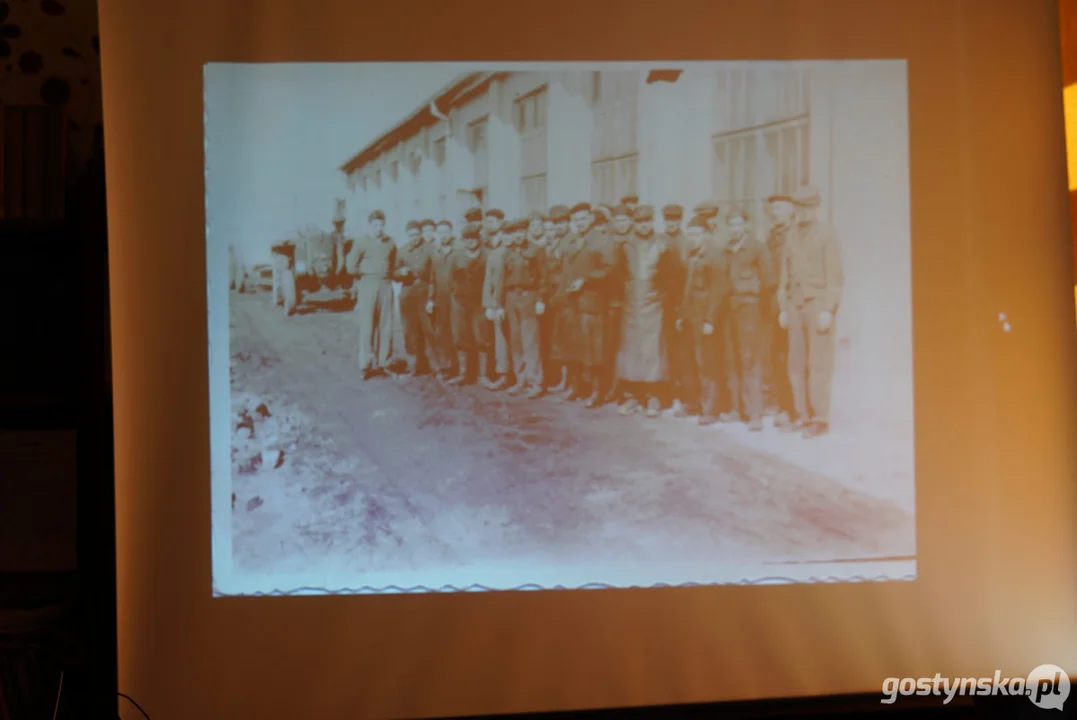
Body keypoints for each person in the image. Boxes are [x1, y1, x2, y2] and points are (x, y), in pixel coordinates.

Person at [777, 184, 844, 438]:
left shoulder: (827, 234)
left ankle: (819, 417)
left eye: (807, 207)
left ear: (816, 208)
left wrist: (828, 309)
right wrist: (783, 306)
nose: (802, 212)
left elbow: (835, 277)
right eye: (798, 207)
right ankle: (801, 414)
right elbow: (785, 273)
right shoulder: (791, 235)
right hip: (794, 304)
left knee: (819, 363)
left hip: (817, 304)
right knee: (796, 363)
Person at [615, 205, 678, 417]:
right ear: (634, 223)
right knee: (632, 349)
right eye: (640, 221)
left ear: (652, 222)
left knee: (654, 349)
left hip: (655, 304)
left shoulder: (664, 244)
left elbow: (673, 275)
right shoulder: (625, 245)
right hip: (631, 303)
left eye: (647, 221)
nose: (644, 225)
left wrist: (663, 296)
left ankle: (654, 397)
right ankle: (633, 396)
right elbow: (618, 273)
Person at [721, 206, 773, 431]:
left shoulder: (757, 248)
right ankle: (736, 408)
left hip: (749, 307)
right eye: (731, 224)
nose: (734, 228)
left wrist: (753, 295)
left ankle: (754, 413)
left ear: (746, 226)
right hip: (729, 306)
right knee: (731, 358)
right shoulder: (727, 249)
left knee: (749, 358)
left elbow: (769, 279)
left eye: (738, 224)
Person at [675, 216, 727, 425]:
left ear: (706, 235)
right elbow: (685, 289)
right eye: (690, 235)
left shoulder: (715, 257)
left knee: (707, 364)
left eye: (696, 234)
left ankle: (710, 408)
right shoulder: (690, 256)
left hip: (704, 317)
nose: (692, 239)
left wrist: (710, 319)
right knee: (688, 362)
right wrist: (681, 315)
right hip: (689, 316)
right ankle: (693, 403)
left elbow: (719, 290)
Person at [561, 202, 614, 408]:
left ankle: (596, 391)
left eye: (583, 219)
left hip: (592, 301)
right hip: (572, 303)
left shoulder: (601, 241)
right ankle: (577, 388)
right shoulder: (572, 241)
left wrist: (586, 280)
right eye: (576, 220)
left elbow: (610, 269)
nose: (580, 223)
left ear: (591, 219)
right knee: (574, 346)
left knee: (594, 349)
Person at [345, 209, 397, 379]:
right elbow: (351, 266)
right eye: (375, 225)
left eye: (381, 225)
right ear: (369, 226)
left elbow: (394, 263)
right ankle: (366, 364)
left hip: (385, 285)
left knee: (386, 325)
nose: (378, 228)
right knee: (367, 326)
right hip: (368, 285)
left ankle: (384, 362)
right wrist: (367, 272)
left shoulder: (390, 243)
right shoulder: (361, 243)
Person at [763, 194, 797, 429]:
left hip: (792, 299)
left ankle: (793, 408)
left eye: (781, 208)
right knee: (777, 353)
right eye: (773, 208)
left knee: (792, 354)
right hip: (773, 299)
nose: (775, 212)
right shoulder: (772, 235)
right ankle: (782, 403)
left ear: (791, 210)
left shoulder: (795, 234)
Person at [501, 218, 546, 397]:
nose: (517, 235)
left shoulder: (536, 251)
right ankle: (521, 380)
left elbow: (544, 277)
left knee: (530, 342)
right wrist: (501, 304)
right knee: (516, 341)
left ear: (526, 232)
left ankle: (535, 382)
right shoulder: (508, 253)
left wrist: (541, 299)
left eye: (520, 232)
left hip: (529, 297)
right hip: (511, 298)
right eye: (514, 233)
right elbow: (503, 279)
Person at [448, 222, 490, 386]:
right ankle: (464, 373)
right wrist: (456, 295)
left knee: (482, 336)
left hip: (480, 302)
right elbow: (450, 280)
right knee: (461, 336)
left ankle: (483, 375)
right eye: (467, 239)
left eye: (473, 238)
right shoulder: (456, 256)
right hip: (460, 301)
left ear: (479, 239)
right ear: (463, 240)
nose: (470, 242)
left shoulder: (486, 255)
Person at [394, 219, 434, 376]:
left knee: (428, 328)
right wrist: (400, 273)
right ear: (407, 235)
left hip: (425, 291)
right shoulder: (402, 251)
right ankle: (416, 363)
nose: (414, 238)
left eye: (417, 234)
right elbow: (394, 272)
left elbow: (434, 273)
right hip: (408, 293)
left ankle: (432, 364)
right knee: (411, 330)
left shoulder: (430, 249)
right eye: (411, 235)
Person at [543, 205, 574, 393]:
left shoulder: (571, 241)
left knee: (566, 341)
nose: (558, 226)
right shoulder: (554, 242)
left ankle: (568, 382)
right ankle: (559, 379)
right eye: (555, 223)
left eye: (561, 222)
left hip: (566, 299)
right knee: (556, 341)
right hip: (553, 299)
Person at [482, 213, 514, 390]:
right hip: (497, 303)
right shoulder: (495, 254)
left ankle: (518, 375)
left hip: (513, 300)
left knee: (516, 339)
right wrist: (488, 304)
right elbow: (488, 280)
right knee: (500, 339)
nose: (506, 237)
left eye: (509, 234)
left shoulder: (516, 253)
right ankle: (503, 373)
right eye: (504, 234)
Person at [428, 219, 459, 380]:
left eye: (446, 232)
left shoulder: (458, 249)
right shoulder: (435, 252)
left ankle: (460, 367)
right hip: (440, 298)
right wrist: (430, 299)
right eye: (440, 233)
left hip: (456, 298)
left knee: (457, 332)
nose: (443, 236)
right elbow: (432, 277)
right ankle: (445, 366)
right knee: (441, 333)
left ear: (451, 233)